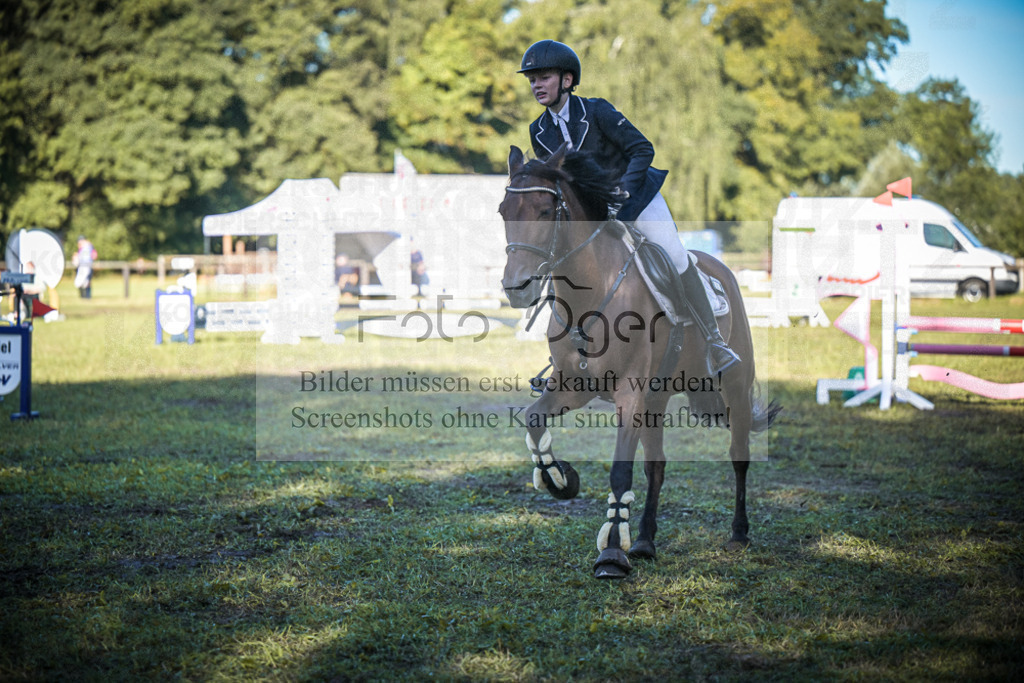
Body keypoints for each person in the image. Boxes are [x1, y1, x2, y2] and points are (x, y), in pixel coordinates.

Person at [517, 39, 739, 376]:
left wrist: (623, 192)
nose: (536, 85)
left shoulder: (598, 111)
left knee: (675, 255)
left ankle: (714, 341)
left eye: (543, 77)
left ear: (566, 80)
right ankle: (567, 350)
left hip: (636, 199)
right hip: (593, 215)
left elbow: (642, 150)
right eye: (531, 80)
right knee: (565, 263)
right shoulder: (539, 131)